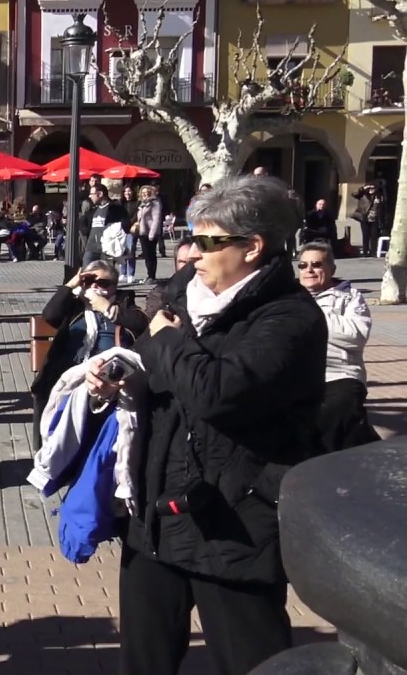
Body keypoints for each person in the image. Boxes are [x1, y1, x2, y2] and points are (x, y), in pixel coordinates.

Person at [87, 175, 327, 675]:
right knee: (143, 659)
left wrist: (166, 341)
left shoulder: (288, 318)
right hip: (156, 512)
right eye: (192, 237)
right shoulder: (182, 292)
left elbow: (218, 393)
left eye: (208, 240)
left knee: (251, 662)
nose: (193, 252)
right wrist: (120, 377)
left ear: (253, 247)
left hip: (234, 524)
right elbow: (158, 361)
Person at [29, 260, 147, 445]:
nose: (95, 286)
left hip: (108, 380)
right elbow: (50, 316)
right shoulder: (75, 305)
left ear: (115, 286)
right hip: (71, 375)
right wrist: (71, 285)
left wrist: (107, 308)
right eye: (90, 280)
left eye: (103, 283)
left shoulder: (123, 304)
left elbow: (141, 324)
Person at [297, 242, 377, 452]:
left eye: (316, 264)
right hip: (295, 376)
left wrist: (311, 313)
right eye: (303, 265)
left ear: (331, 269)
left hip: (339, 374)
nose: (309, 270)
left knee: (338, 410)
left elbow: (356, 336)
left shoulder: (350, 296)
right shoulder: (288, 297)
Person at [143, 236, 197, 319]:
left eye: (191, 262)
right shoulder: (160, 292)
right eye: (182, 261)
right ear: (175, 263)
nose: (187, 266)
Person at [81, 187, 128, 263]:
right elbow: (83, 222)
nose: (90, 196)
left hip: (107, 248)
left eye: (92, 194)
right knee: (87, 269)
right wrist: (86, 231)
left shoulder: (115, 208)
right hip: (91, 247)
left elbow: (125, 223)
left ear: (100, 194)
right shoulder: (93, 209)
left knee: (106, 273)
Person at [135, 185, 164, 283]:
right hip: (142, 232)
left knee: (151, 255)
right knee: (147, 255)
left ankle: (152, 276)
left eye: (147, 192)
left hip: (151, 233)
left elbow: (156, 219)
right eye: (143, 193)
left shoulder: (155, 203)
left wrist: (152, 234)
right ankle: (149, 275)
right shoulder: (141, 204)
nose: (145, 194)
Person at [351, 183, 386, 257]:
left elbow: (383, 204)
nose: (371, 190)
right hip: (365, 218)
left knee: (374, 236)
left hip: (375, 219)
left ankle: (373, 252)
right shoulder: (363, 195)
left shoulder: (379, 196)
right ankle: (365, 252)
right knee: (365, 235)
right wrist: (364, 188)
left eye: (373, 188)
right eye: (370, 188)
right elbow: (354, 194)